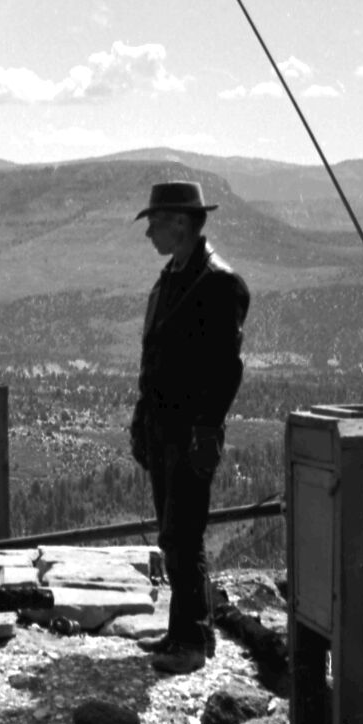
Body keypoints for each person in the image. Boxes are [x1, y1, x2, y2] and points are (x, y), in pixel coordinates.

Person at [129, 179, 249, 673]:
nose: (149, 232)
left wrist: (204, 430)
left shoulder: (219, 283)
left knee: (184, 533)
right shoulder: (177, 276)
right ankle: (185, 632)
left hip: (190, 432)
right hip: (163, 427)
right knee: (174, 532)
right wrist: (143, 418)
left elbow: (226, 371)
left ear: (180, 222)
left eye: (155, 221)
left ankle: (194, 641)